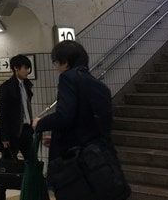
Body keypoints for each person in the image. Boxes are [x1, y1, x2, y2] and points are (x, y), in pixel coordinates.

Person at [33, 40, 119, 194]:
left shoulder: (69, 78)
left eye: (56, 64)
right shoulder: (101, 87)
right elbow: (91, 124)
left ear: (65, 63)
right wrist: (60, 138)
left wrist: (40, 123)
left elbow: (64, 116)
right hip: (100, 160)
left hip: (77, 165)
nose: (56, 69)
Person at [0, 54, 34, 200]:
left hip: (25, 130)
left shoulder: (26, 85)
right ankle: (1, 196)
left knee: (32, 163)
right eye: (25, 68)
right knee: (6, 166)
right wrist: (4, 137)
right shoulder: (6, 88)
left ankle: (32, 193)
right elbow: (2, 114)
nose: (27, 71)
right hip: (11, 134)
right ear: (16, 68)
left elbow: (26, 107)